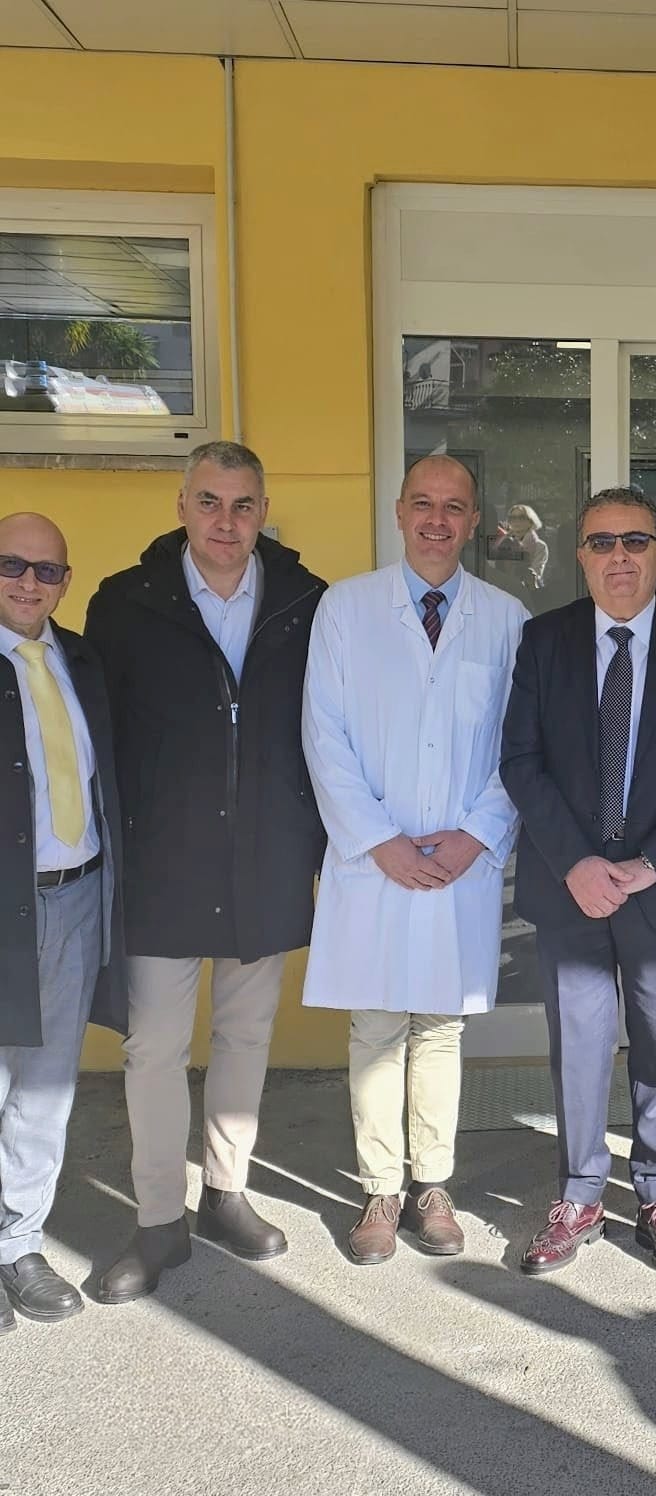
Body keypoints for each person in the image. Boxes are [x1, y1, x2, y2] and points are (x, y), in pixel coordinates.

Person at [86, 442, 326, 1305]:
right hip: (162, 862)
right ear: (182, 505)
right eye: (211, 502)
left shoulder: (306, 600)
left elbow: (326, 729)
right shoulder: (125, 601)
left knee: (246, 1034)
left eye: (244, 504)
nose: (227, 522)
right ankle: (159, 1220)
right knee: (154, 1045)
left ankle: (227, 1193)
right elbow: (103, 738)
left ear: (263, 511)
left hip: (266, 854)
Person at [501, 486, 656, 1276]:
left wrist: (652, 861)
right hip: (569, 883)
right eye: (601, 542)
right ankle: (578, 1196)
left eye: (635, 541)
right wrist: (575, 861)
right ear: (581, 556)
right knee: (577, 1047)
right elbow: (521, 761)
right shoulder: (544, 641)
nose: (619, 557)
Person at [301, 454, 526, 1266]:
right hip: (376, 858)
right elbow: (323, 734)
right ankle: (380, 1188)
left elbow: (520, 743)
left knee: (439, 1024)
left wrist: (476, 834)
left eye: (454, 507)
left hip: (460, 858)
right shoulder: (347, 607)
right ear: (399, 513)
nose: (437, 520)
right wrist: (378, 840)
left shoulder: (506, 618)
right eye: (423, 504)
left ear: (475, 522)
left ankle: (432, 1185)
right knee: (376, 1023)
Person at [0, 514, 126, 1330]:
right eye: (12, 565)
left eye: (47, 571)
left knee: (45, 1086)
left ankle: (19, 1244)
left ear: (65, 582)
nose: (29, 582)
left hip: (77, 897)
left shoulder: (80, 659)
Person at [505, 504, 550, 586]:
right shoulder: (503, 542)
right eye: (513, 518)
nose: (516, 521)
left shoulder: (540, 546)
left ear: (531, 522)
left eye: (521, 518)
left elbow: (535, 573)